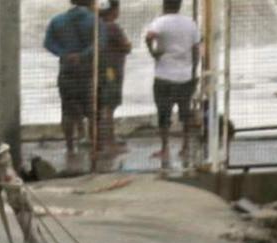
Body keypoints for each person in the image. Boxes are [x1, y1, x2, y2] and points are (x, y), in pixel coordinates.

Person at [140, 0, 201, 176]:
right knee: (185, 112)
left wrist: (153, 53)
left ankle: (165, 148)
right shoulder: (190, 23)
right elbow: (196, 48)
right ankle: (185, 146)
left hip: (164, 75)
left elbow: (149, 36)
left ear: (164, 5)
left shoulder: (160, 21)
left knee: (164, 113)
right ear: (179, 5)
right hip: (185, 76)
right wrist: (193, 69)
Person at [41, 0, 101, 174]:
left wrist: (64, 54)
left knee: (67, 111)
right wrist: (82, 55)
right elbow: (100, 43)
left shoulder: (57, 20)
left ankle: (70, 147)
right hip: (88, 72)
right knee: (91, 111)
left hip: (66, 70)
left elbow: (48, 43)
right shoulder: (94, 20)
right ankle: (91, 145)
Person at [92, 2, 132, 171]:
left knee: (101, 105)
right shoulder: (113, 27)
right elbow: (127, 46)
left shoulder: (96, 25)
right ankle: (110, 143)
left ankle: (100, 140)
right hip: (112, 71)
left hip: (99, 71)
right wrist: (126, 46)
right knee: (109, 107)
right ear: (114, 11)